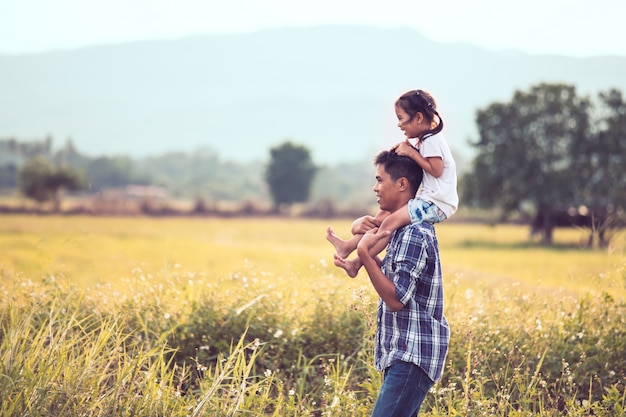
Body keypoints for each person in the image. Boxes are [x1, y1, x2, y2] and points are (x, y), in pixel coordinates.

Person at [346, 149, 450, 416]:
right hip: (402, 354)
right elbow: (397, 283)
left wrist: (365, 257)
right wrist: (369, 258)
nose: (375, 188)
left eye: (380, 180)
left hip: (412, 355)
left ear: (402, 184)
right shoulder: (401, 230)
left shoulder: (414, 233)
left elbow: (396, 299)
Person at [327, 89, 458, 277]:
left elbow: (436, 170)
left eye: (401, 118)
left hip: (436, 204)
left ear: (419, 118)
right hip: (429, 200)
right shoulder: (425, 140)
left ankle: (357, 262)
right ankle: (347, 246)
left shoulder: (432, 140)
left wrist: (411, 152)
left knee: (388, 224)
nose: (398, 124)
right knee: (383, 216)